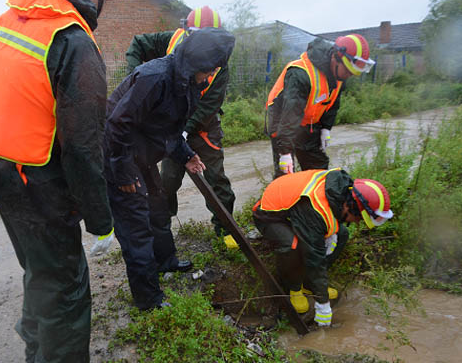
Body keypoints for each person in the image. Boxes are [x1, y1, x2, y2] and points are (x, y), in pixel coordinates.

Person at [0, 0, 128, 361]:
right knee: (66, 294)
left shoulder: (12, 18)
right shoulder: (72, 39)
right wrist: (100, 221)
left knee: (39, 273)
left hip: (2, 176)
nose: (106, 3)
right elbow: (82, 148)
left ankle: (36, 348)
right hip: (41, 190)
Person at [105, 27, 235, 310]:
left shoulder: (187, 84)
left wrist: (186, 155)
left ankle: (166, 262)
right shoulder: (155, 77)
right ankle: (149, 301)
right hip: (120, 156)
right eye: (209, 70)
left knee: (158, 207)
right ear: (197, 63)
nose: (211, 76)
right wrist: (123, 172)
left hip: (143, 154)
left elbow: (171, 130)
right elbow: (116, 125)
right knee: (137, 227)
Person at [126, 6, 238, 249]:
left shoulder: (220, 62)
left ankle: (226, 229)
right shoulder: (171, 40)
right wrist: (134, 76)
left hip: (203, 127)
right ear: (187, 31)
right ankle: (163, 232)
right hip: (172, 127)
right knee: (166, 181)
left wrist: (186, 129)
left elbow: (211, 102)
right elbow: (137, 45)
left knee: (215, 178)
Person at [252, 168, 393, 326]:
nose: (357, 222)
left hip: (295, 208)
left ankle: (309, 285)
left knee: (342, 234)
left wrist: (332, 232)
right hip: (269, 214)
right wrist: (323, 304)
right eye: (359, 218)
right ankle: (294, 288)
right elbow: (314, 257)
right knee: (293, 245)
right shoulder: (316, 207)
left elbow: (333, 215)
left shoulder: (341, 190)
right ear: (351, 207)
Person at [266, 34, 376, 178]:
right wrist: (285, 152)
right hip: (282, 121)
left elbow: (333, 102)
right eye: (348, 71)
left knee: (318, 171)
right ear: (335, 58)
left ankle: (312, 198)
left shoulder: (339, 75)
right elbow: (290, 114)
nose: (348, 76)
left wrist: (326, 128)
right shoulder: (301, 73)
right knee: (286, 175)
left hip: (310, 123)